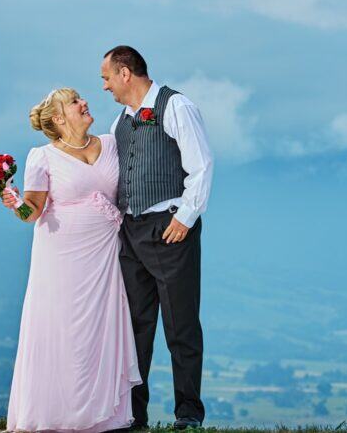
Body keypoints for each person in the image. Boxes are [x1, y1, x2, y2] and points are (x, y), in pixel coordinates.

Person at [3, 88, 141, 433]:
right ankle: (54, 412)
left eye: (81, 98)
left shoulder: (110, 143)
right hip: (60, 258)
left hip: (104, 256)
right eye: (75, 101)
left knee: (99, 328)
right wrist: (14, 201)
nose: (84, 102)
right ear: (59, 118)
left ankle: (103, 415)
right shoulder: (43, 157)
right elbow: (32, 212)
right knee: (62, 328)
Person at [100, 46, 214, 430]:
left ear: (125, 73)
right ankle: (134, 415)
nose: (105, 86)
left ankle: (188, 413)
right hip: (130, 232)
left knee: (181, 325)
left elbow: (201, 165)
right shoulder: (120, 122)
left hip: (169, 229)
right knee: (135, 326)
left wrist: (185, 217)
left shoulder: (175, 106)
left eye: (107, 78)